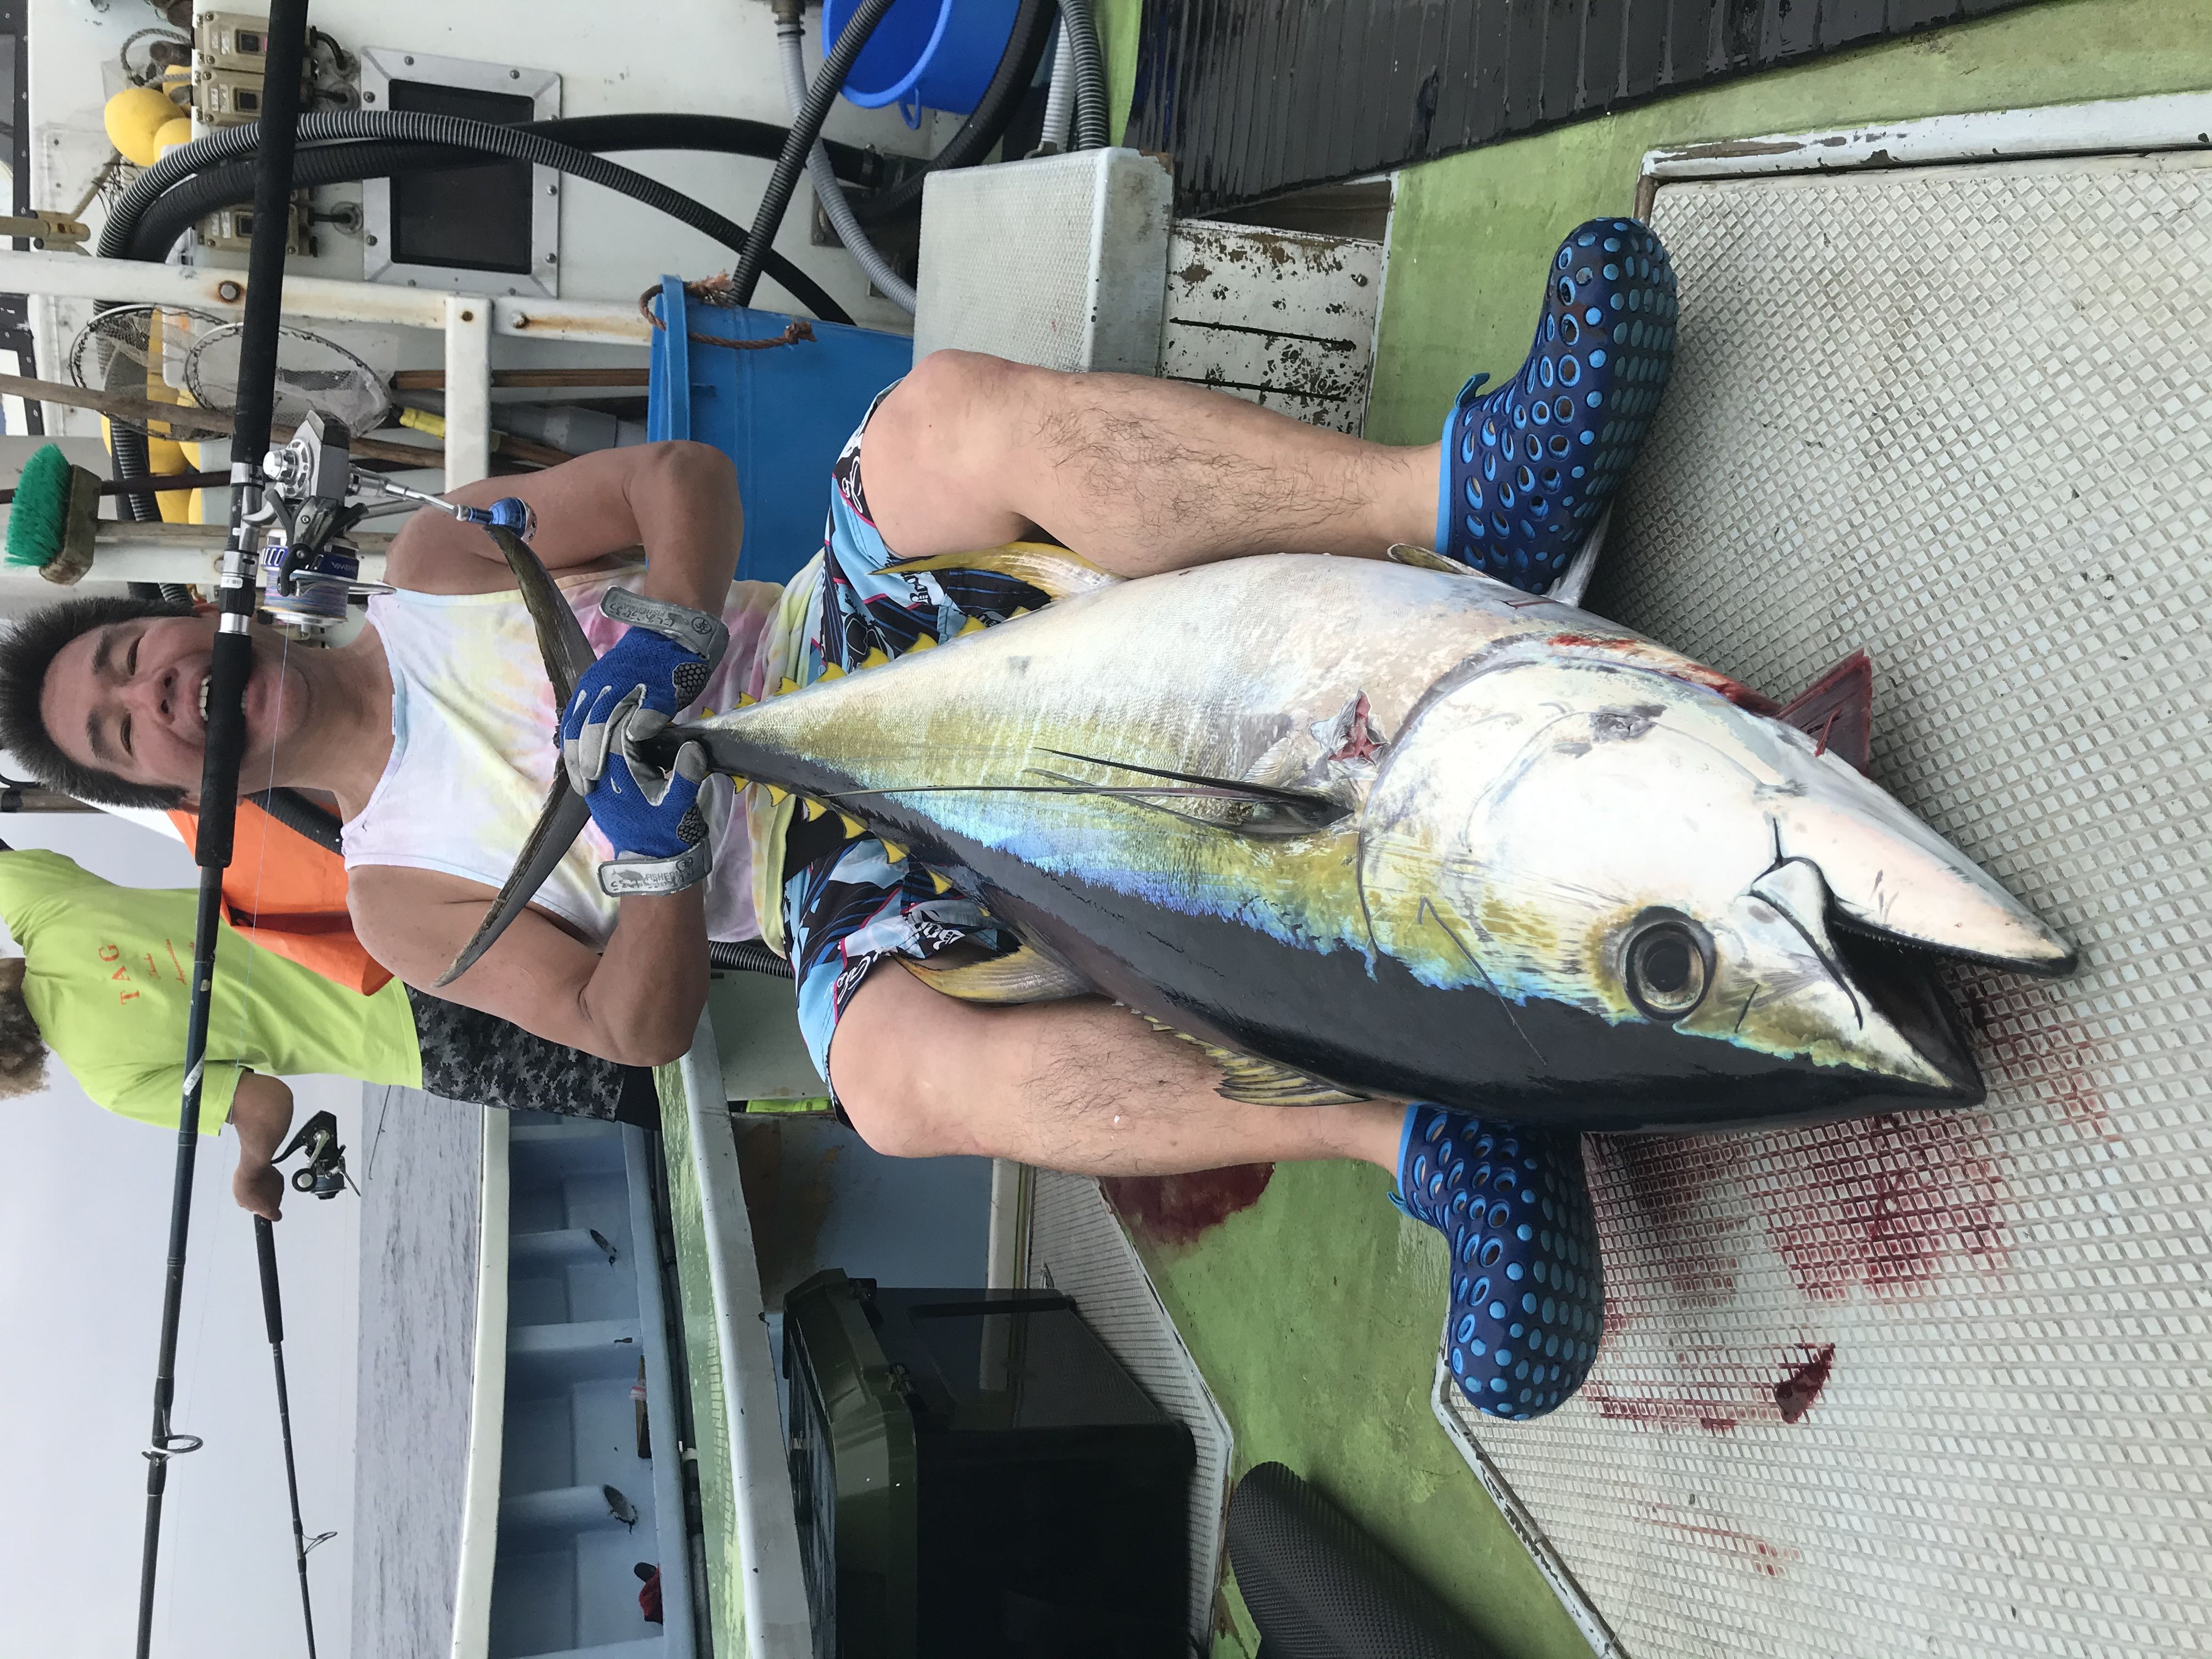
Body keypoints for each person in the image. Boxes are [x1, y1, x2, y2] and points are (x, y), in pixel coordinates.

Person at [0, 221, 1674, 1417]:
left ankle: (1459, 500)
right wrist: (654, 861)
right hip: (821, 868)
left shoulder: (439, 563)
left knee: (934, 421)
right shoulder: (394, 900)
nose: (162, 697)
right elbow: (628, 1026)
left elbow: (677, 484)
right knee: (886, 1084)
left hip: (830, 637)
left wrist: (669, 619)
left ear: (195, 623)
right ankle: (1420, 1138)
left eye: (137, 657)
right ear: (176, 797)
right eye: (125, 734)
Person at [0, 843, 669, 1219]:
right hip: (404, 938)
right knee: (639, 970)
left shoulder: (109, 1081)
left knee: (647, 1084)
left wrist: (252, 1172)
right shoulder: (48, 911)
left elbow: (267, 1105)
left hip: (418, 1046)